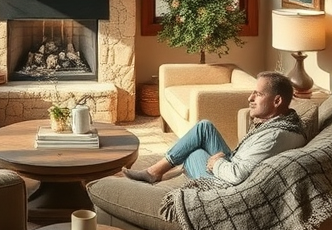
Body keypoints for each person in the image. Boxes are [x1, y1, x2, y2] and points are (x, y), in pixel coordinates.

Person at [124, 71, 307, 186]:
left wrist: (217, 162)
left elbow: (238, 176)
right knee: (204, 127)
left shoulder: (276, 136)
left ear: (277, 101)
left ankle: (156, 173)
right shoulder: (284, 123)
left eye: (257, 94)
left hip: (225, 185)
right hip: (232, 163)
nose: (249, 98)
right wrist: (223, 159)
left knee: (192, 152)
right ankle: (157, 171)